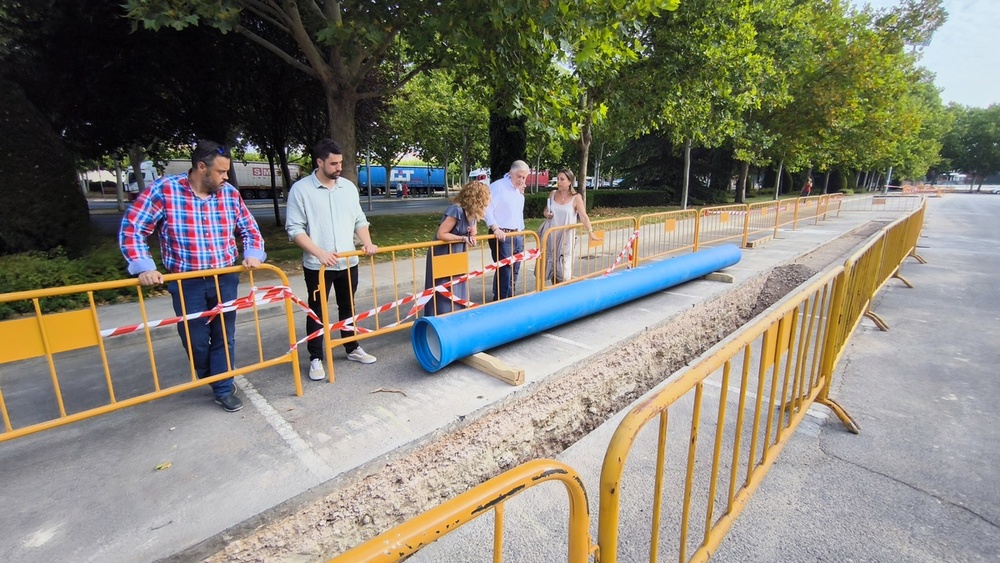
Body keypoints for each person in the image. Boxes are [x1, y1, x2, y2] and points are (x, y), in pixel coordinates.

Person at [119, 140, 266, 413]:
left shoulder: (229, 194)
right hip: (187, 282)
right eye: (221, 172)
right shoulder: (165, 190)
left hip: (225, 277)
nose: (226, 178)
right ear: (201, 167)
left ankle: (223, 387)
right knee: (195, 338)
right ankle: (212, 374)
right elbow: (133, 228)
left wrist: (253, 253)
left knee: (224, 335)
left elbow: (250, 229)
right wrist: (144, 266)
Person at [285, 138, 378, 382]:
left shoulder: (347, 187)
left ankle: (351, 347)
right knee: (317, 311)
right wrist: (319, 252)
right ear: (319, 162)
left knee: (348, 307)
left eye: (341, 163)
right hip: (317, 267)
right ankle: (316, 358)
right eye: (334, 163)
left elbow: (359, 220)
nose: (339, 168)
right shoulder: (301, 190)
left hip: (348, 263)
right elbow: (294, 229)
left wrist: (366, 241)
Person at [423, 181, 491, 316]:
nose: (489, 200)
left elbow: (472, 231)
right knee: (444, 286)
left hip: (458, 252)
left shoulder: (473, 213)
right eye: (487, 196)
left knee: (458, 284)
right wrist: (462, 238)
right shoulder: (456, 210)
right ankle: (440, 315)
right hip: (443, 253)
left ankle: (456, 314)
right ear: (478, 197)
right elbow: (441, 234)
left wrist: (472, 234)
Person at [538, 168, 600, 284]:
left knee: (564, 270)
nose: (559, 182)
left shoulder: (576, 197)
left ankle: (564, 292)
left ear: (570, 181)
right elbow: (546, 210)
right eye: (558, 179)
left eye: (562, 179)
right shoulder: (552, 194)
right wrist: (546, 213)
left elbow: (583, 216)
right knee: (552, 266)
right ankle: (555, 291)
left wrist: (591, 232)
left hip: (566, 238)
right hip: (551, 236)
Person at [484, 160, 530, 301]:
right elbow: (487, 208)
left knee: (514, 269)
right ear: (511, 173)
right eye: (519, 177)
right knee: (505, 270)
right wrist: (495, 228)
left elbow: (517, 212)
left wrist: (521, 231)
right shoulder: (498, 187)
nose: (521, 180)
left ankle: (508, 297)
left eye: (524, 177)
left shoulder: (518, 191)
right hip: (502, 234)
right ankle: (503, 299)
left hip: (517, 234)